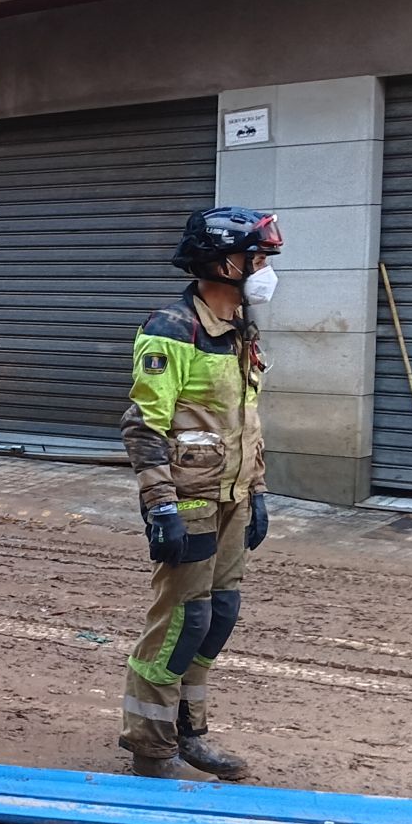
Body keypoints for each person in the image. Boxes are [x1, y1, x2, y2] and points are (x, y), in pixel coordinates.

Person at [118, 206, 284, 781]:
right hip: (187, 501)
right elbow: (144, 426)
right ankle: (150, 745)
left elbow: (247, 421)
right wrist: (158, 503)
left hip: (233, 498)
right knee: (181, 621)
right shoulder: (172, 329)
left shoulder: (240, 328)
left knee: (218, 616)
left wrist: (257, 491)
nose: (263, 270)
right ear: (220, 261)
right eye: (256, 257)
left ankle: (190, 731)